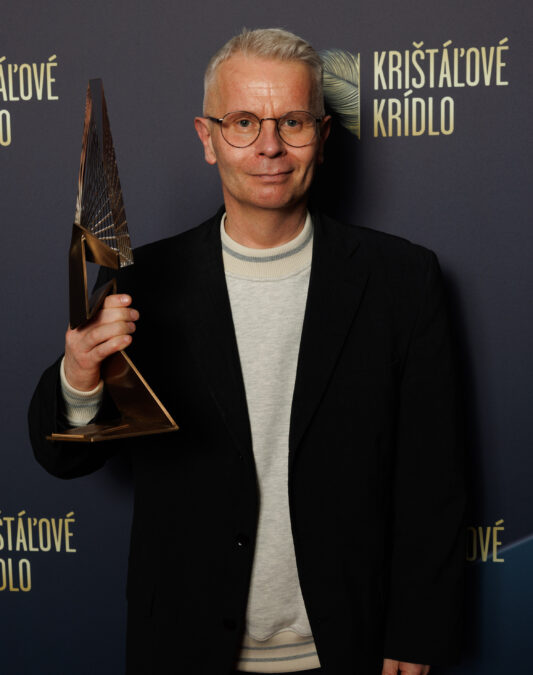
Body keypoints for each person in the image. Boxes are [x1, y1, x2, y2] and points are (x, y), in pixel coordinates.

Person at [29, 28, 465, 675]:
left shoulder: (403, 280)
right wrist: (80, 373)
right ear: (207, 138)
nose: (269, 146)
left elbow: (432, 476)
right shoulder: (141, 280)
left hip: (349, 645)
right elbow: (63, 460)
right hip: (184, 648)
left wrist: (415, 629)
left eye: (292, 121)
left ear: (322, 134)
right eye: (242, 122)